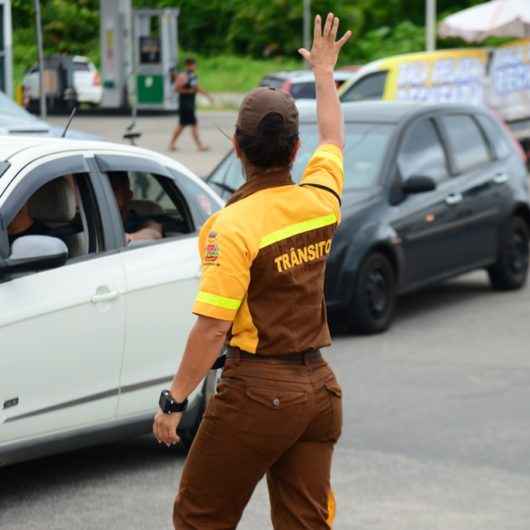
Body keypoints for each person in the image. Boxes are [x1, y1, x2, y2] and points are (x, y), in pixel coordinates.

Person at [153, 13, 351, 529]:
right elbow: (334, 138)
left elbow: (213, 324)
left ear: (236, 147)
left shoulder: (231, 226)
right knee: (305, 523)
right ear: (295, 150)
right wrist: (325, 73)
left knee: (199, 517)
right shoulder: (320, 201)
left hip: (258, 391)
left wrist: (174, 401)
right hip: (319, 392)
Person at [169, 57, 213, 152]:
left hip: (189, 104)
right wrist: (189, 91)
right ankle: (200, 146)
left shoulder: (192, 76)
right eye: (194, 65)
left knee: (182, 125)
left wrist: (207, 95)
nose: (195, 66)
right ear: (188, 65)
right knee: (191, 124)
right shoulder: (183, 76)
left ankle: (172, 144)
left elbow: (196, 88)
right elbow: (177, 89)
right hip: (185, 105)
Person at [108, 172, 163, 242]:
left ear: (128, 196)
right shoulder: (94, 218)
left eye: (114, 190)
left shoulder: (136, 221)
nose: (106, 195)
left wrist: (129, 238)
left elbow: (155, 232)